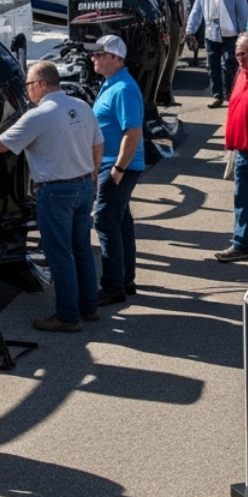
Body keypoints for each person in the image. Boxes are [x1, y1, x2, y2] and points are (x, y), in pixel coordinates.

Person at [0, 61, 101, 331]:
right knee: (81, 248)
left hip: (56, 192)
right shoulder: (81, 106)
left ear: (41, 84)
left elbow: (0, 144)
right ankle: (89, 307)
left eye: (28, 85)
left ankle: (67, 316)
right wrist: (94, 173)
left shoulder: (38, 116)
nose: (26, 90)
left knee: (59, 254)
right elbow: (98, 143)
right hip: (84, 185)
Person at [89, 35, 145, 307]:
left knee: (105, 221)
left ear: (115, 58)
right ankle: (124, 279)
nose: (94, 58)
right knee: (120, 221)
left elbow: (132, 133)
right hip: (113, 164)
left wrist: (118, 169)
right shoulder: (112, 84)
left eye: (99, 54)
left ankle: (112, 287)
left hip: (118, 166)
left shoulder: (123, 89)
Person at [214, 33, 248, 263]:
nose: (239, 58)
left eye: (243, 54)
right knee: (242, 199)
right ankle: (241, 243)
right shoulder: (242, 74)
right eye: (237, 54)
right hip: (242, 150)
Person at [185, 0, 247, 107]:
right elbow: (196, 13)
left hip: (231, 34)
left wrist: (244, 32)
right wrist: (190, 31)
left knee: (229, 64)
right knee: (213, 65)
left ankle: (230, 93)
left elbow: (243, 12)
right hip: (212, 35)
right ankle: (217, 94)